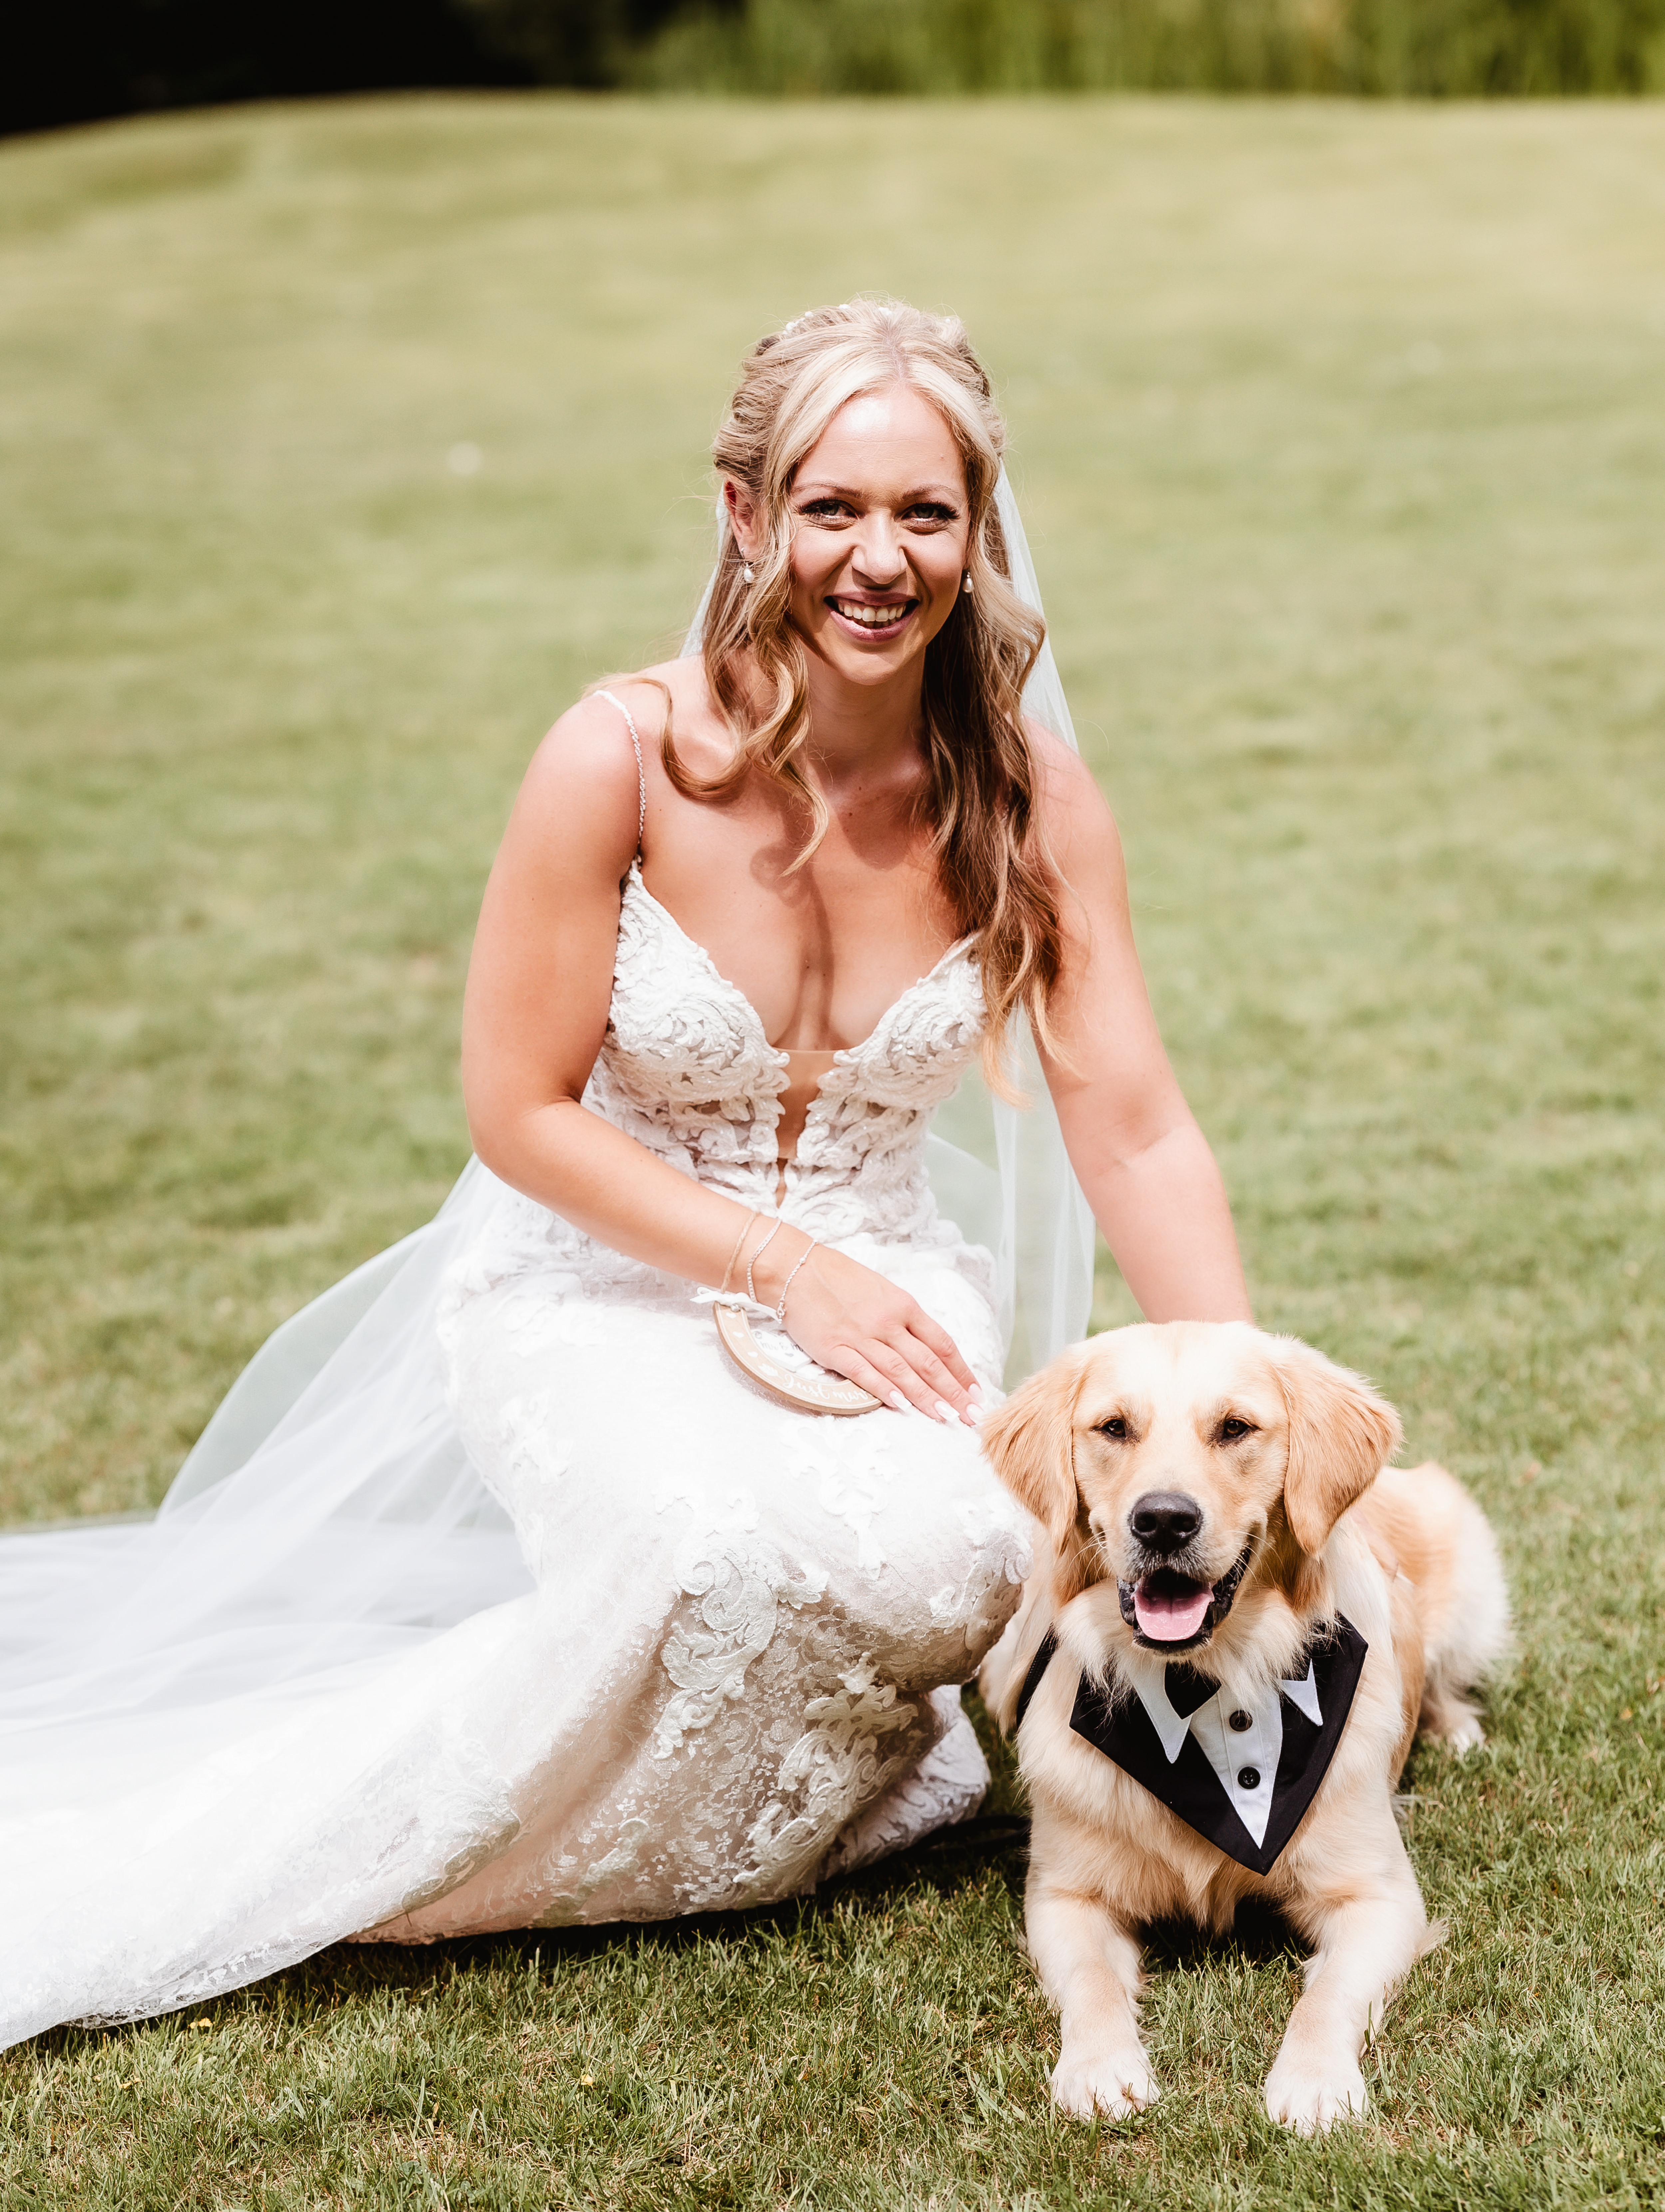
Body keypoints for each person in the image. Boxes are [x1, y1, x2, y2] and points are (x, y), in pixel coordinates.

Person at [0, 298, 1249, 2050]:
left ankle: (851, 1778)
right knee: (697, 1549)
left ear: (977, 528)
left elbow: (1130, 1122)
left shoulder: (1025, 793)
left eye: (922, 512)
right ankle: (426, 1828)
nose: (877, 558)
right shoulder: (617, 753)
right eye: (830, 507)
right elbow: (520, 1110)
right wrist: (773, 1262)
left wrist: (1242, 1402)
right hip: (599, 1273)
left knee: (960, 1550)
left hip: (891, 1279)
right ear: (744, 515)